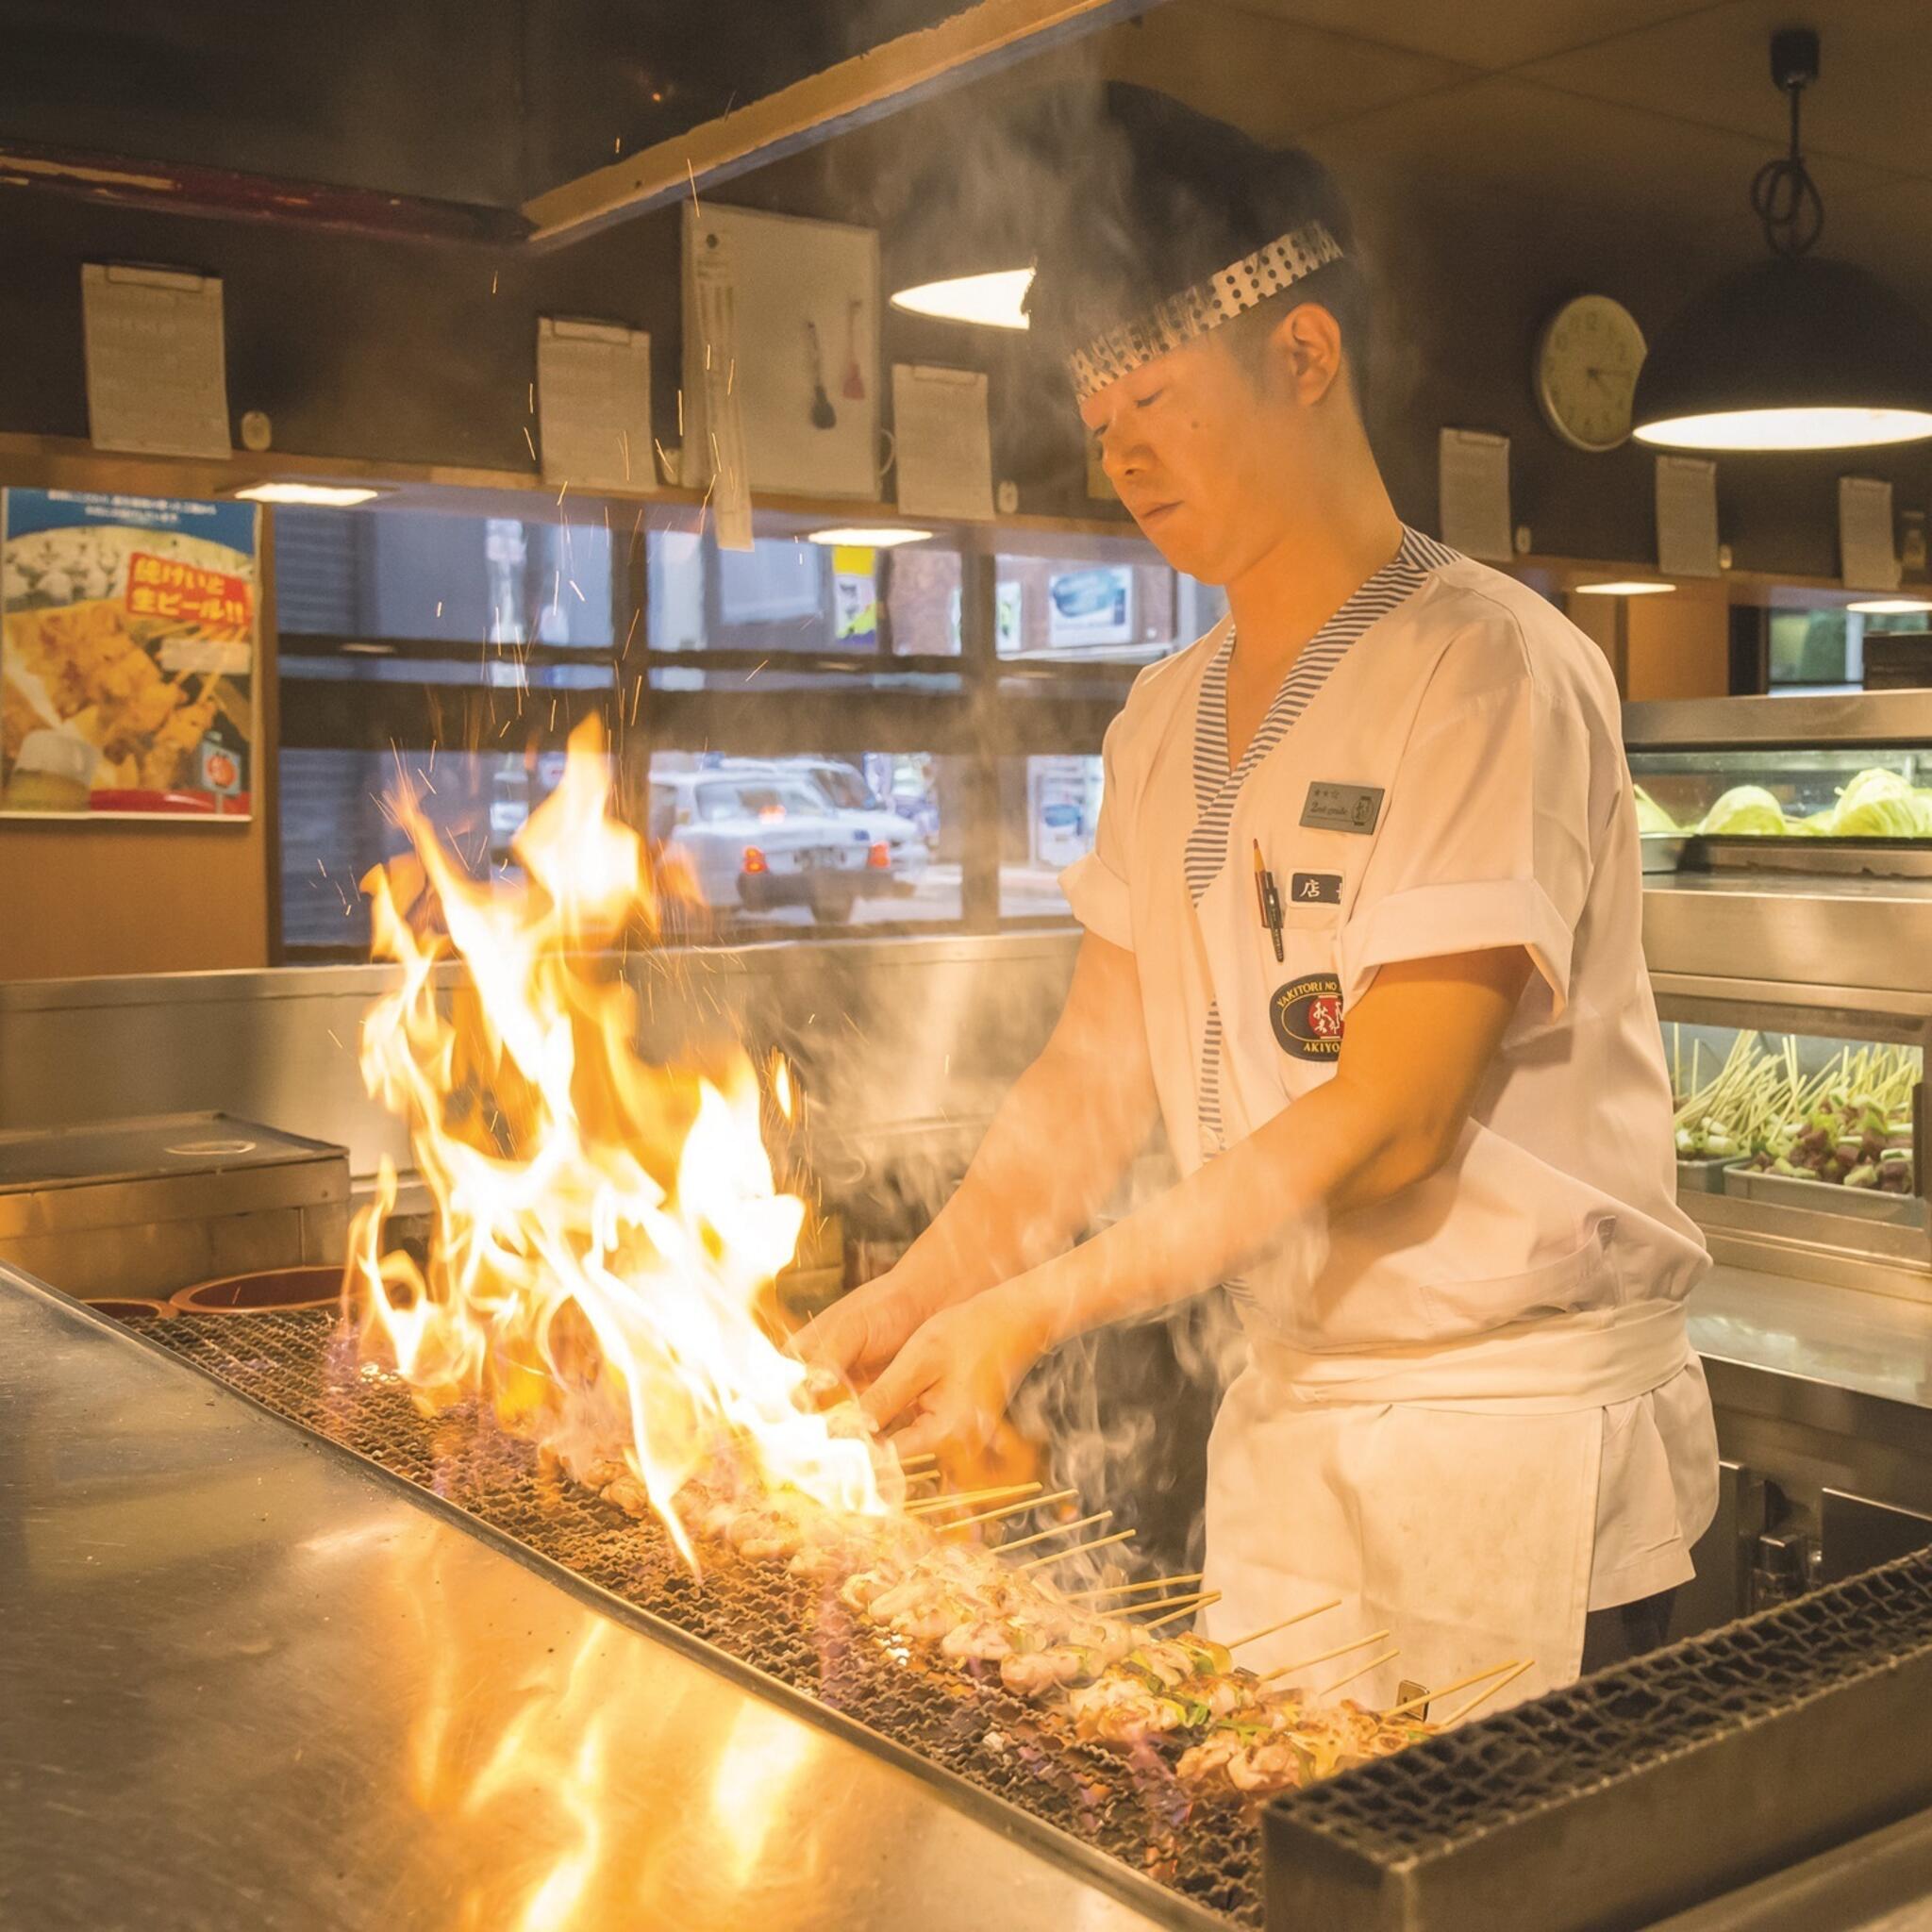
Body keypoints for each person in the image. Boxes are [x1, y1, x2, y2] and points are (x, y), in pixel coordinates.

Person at [799, 90, 1717, 1706]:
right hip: (1292, 1442)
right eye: (1097, 416)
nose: (1119, 453)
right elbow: (1085, 1090)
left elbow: (1394, 1117)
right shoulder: (1164, 718)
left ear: (1303, 357)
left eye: (1150, 395)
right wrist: (916, 1295)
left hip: (1513, 1458)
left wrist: (1038, 1308)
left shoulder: (1488, 670)